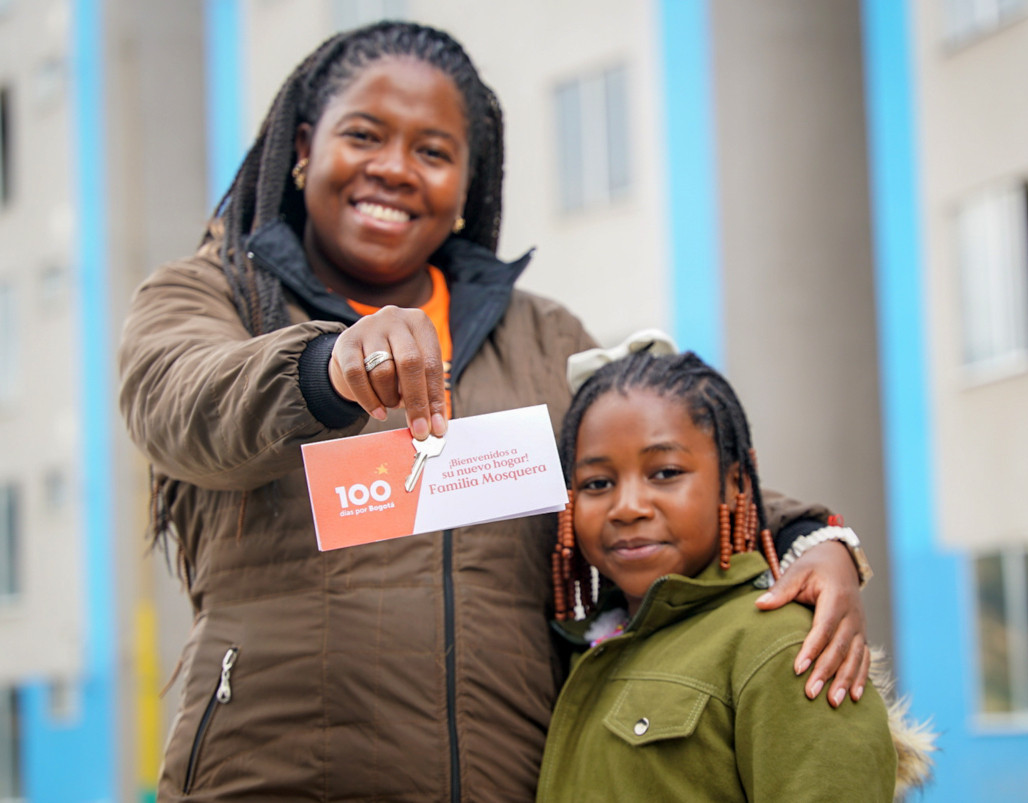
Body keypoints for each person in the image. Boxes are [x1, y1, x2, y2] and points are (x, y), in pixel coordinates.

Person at [118, 20, 873, 801]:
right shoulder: (216, 296)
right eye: (364, 135)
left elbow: (650, 470)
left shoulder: (542, 336)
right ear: (306, 146)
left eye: (433, 152)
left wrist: (811, 537)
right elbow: (183, 403)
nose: (394, 170)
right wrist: (326, 365)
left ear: (466, 185)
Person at [538, 348, 930, 801]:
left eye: (665, 472)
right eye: (597, 483)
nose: (627, 507)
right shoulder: (589, 650)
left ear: (736, 483)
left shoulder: (786, 645)